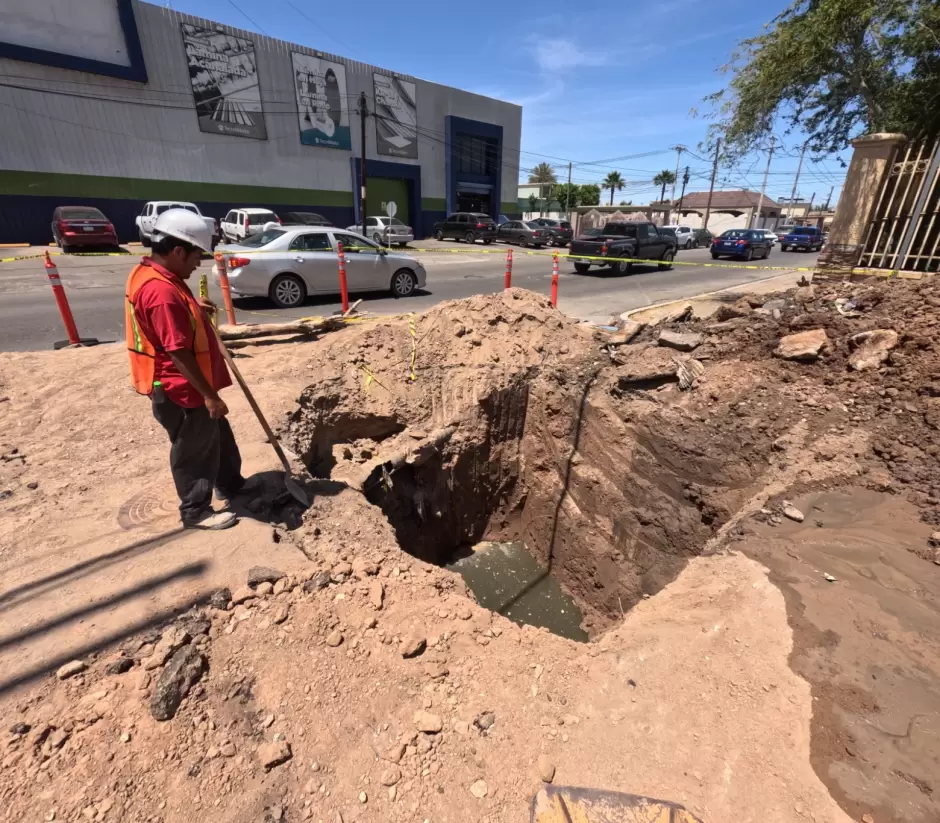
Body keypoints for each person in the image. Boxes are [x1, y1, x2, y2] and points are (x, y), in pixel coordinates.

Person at [125, 208, 254, 530]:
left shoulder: (158, 275)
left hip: (188, 385)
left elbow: (171, 319)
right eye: (197, 254)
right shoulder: (161, 292)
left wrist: (196, 308)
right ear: (178, 250)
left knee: (218, 437)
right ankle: (196, 511)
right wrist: (209, 396)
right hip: (181, 389)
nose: (200, 262)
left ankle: (231, 485)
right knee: (195, 451)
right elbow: (177, 351)